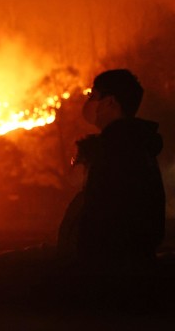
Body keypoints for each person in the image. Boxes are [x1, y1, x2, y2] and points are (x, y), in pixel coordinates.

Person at [58, 69, 165, 269]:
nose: (89, 102)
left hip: (112, 270)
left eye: (93, 96)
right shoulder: (134, 144)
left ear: (110, 102)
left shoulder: (117, 151)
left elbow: (103, 220)